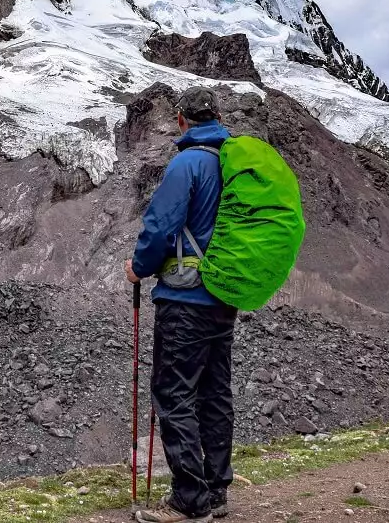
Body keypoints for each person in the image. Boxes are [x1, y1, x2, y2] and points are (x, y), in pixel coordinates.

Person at [125, 87, 235, 523]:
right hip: (223, 295)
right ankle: (215, 490)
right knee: (214, 392)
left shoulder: (187, 163)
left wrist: (138, 267)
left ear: (181, 119)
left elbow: (160, 226)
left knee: (175, 392)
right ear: (217, 117)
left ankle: (190, 500)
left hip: (184, 296)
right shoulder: (232, 165)